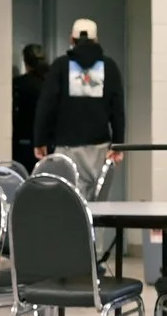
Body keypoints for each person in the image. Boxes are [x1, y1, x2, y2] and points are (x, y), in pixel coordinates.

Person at [33, 18, 125, 198]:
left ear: (71, 40)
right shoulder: (110, 67)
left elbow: (47, 104)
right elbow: (118, 109)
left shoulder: (60, 66)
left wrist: (40, 140)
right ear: (96, 40)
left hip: (68, 147)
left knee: (68, 203)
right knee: (98, 206)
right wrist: (118, 144)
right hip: (100, 148)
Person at [10, 43, 47, 171]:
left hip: (23, 143)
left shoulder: (19, 84)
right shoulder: (51, 83)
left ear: (25, 62)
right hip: (48, 144)